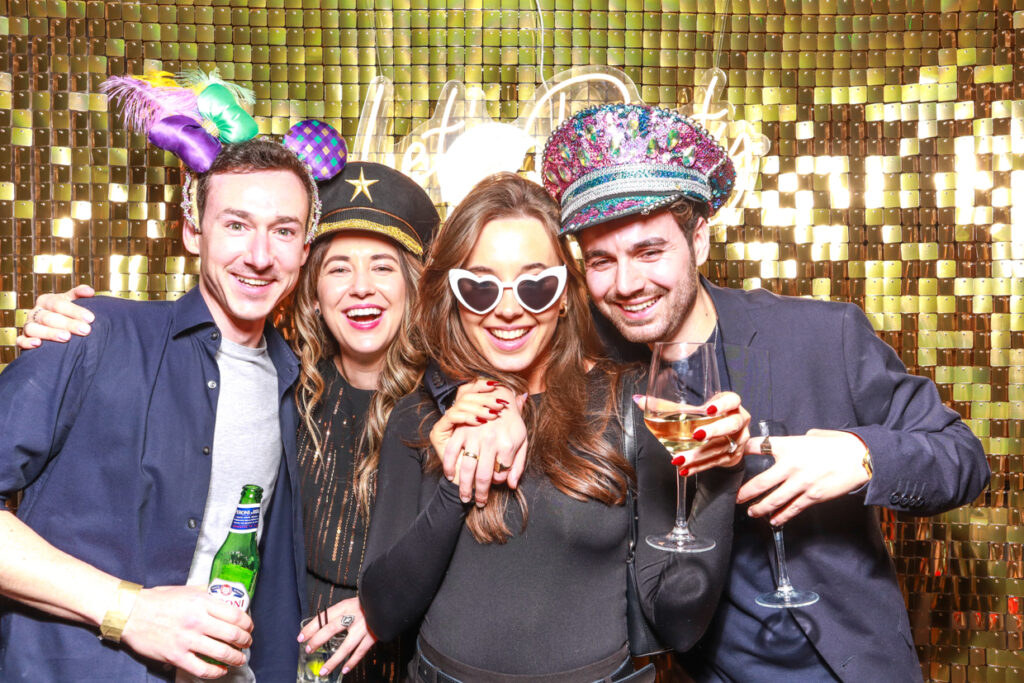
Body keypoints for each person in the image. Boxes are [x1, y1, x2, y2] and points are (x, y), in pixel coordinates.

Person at [536, 104, 990, 681]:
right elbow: (466, 356)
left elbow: (963, 457)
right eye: (601, 260)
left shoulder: (824, 335)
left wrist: (862, 453)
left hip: (855, 667)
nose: (626, 284)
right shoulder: (584, 362)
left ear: (699, 240)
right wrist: (480, 412)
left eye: (650, 252)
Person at [358, 172, 743, 682]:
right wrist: (458, 479)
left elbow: (679, 622)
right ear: (454, 294)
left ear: (565, 294)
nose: (510, 309)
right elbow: (384, 613)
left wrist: (720, 473)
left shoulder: (630, 404)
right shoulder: (424, 415)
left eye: (537, 285)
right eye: (480, 286)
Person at [0, 137, 313, 681]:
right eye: (236, 224)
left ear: (305, 248)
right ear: (194, 231)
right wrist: (130, 610)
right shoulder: (89, 335)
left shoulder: (297, 383)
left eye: (283, 231)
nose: (261, 256)